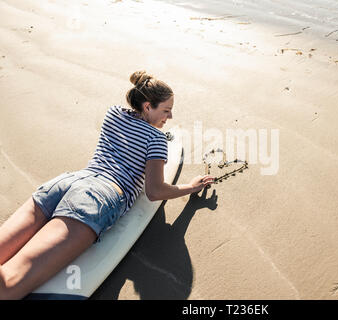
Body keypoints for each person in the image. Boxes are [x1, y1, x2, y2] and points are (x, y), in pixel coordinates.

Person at [0, 70, 214, 299]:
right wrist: (191, 187)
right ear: (147, 106)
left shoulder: (113, 113)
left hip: (65, 183)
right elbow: (154, 192)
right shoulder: (157, 140)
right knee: (10, 283)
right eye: (166, 110)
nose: (169, 117)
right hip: (96, 198)